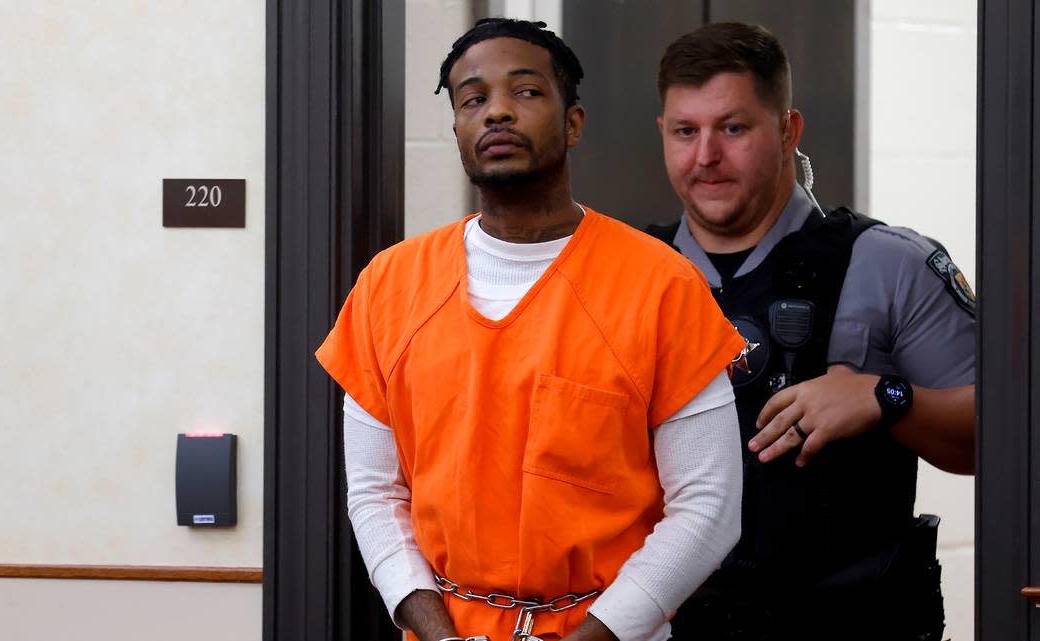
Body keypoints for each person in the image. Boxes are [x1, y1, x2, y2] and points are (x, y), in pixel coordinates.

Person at [317, 18, 748, 641]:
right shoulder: (388, 286)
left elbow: (707, 510)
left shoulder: (660, 286)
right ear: (458, 129)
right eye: (473, 99)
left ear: (573, 123)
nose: (496, 113)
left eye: (524, 92)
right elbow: (375, 497)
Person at [646, 22, 976, 641]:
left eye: (734, 128)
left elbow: (998, 437)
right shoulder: (626, 272)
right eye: (686, 132)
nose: (706, 157)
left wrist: (888, 398)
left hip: (848, 619)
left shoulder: (889, 263)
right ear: (663, 134)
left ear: (788, 131)